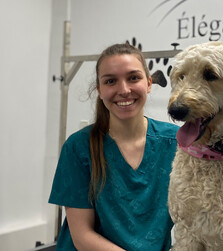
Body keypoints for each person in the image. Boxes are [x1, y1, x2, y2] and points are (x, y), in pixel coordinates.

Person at [49, 42, 179, 251]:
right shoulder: (79, 148)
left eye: (133, 78)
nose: (124, 90)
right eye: (111, 81)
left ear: (149, 83)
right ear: (99, 90)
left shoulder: (176, 143)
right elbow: (82, 236)